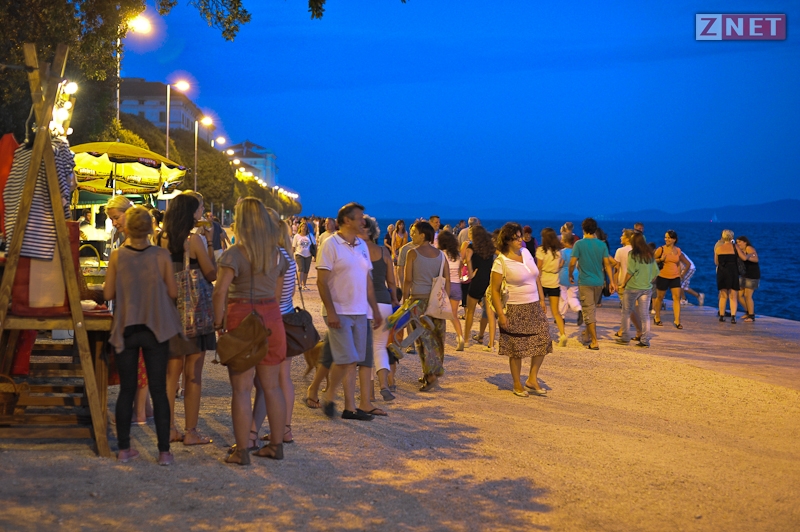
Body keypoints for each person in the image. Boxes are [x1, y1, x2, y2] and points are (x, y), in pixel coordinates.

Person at [104, 206, 182, 465]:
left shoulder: (118, 256)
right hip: (155, 327)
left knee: (126, 390)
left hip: (126, 326)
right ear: (150, 228)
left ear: (127, 228)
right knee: (158, 390)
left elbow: (108, 294)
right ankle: (164, 452)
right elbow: (173, 291)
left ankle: (124, 449)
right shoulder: (161, 255)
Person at [213, 198, 288, 464]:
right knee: (272, 387)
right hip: (272, 319)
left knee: (242, 390)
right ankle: (276, 445)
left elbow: (220, 292)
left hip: (242, 318)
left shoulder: (234, 254)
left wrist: (218, 323)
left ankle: (242, 450)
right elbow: (277, 296)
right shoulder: (278, 255)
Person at [157, 193, 217, 446]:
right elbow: (211, 273)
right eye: (200, 208)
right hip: (193, 313)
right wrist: (210, 242)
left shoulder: (160, 239)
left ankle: (169, 428)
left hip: (169, 311)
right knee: (193, 374)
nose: (202, 211)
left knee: (171, 373)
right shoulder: (194, 240)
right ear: (191, 212)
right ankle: (191, 431)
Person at [317, 202, 383, 420]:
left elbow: (367, 281)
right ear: (347, 220)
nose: (364, 221)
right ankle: (329, 396)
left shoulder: (361, 245)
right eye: (360, 217)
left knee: (353, 360)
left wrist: (374, 309)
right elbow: (321, 281)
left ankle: (350, 408)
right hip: (340, 311)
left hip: (360, 311)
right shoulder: (330, 244)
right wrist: (331, 311)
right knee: (347, 357)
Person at [251, 215, 297, 447]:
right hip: (287, 316)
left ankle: (253, 433)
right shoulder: (289, 258)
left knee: (266, 381)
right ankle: (285, 429)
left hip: (273, 319)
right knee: (283, 378)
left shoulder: (274, 256)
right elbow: (289, 292)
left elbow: (271, 294)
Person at [491, 223, 551, 397]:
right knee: (516, 348)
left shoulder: (525, 252)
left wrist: (541, 299)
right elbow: (495, 290)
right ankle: (517, 383)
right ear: (507, 241)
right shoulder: (501, 262)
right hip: (515, 308)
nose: (520, 240)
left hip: (534, 305)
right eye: (516, 238)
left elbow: (536, 276)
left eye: (520, 236)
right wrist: (500, 314)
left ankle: (532, 379)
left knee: (543, 340)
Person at [403, 221, 450, 391]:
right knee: (437, 337)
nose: (411, 235)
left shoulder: (412, 253)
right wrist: (444, 300)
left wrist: (405, 300)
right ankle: (433, 371)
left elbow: (408, 280)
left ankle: (430, 376)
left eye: (414, 233)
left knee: (423, 339)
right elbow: (447, 280)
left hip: (419, 301)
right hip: (436, 302)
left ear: (423, 235)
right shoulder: (441, 255)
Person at [568, 218, 615, 350]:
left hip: (585, 282)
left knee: (589, 311)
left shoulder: (579, 244)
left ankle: (594, 341)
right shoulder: (602, 245)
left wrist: (570, 274)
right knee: (591, 309)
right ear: (595, 229)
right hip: (599, 282)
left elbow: (572, 263)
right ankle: (587, 334)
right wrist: (612, 281)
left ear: (583, 229)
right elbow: (607, 264)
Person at [616, 233, 659, 347]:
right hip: (646, 288)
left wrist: (623, 284)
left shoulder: (632, 254)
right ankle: (645, 340)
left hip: (632, 287)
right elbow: (655, 272)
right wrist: (648, 281)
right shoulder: (649, 255)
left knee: (626, 312)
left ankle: (625, 337)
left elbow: (630, 271)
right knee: (645, 315)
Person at [463, 225, 496, 347]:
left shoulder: (471, 247)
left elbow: (467, 259)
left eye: (470, 232)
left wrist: (470, 273)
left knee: (470, 311)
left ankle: (466, 340)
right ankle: (482, 337)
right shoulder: (490, 247)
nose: (469, 234)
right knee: (487, 312)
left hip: (477, 280)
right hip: (488, 280)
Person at [535, 228, 567, 347]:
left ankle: (540, 335)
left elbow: (539, 267)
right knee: (556, 312)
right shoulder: (558, 252)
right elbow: (560, 265)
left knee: (539, 311)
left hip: (543, 281)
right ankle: (562, 334)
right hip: (554, 282)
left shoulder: (541, 250)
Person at [653, 230, 691, 329]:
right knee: (660, 297)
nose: (666, 239)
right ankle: (657, 317)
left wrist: (681, 274)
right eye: (665, 237)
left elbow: (685, 263)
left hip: (675, 277)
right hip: (663, 276)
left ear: (674, 239)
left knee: (677, 298)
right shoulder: (661, 249)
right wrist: (660, 260)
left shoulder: (678, 250)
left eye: (669, 238)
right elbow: (651, 260)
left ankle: (677, 321)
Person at [437, 229, 465, 351]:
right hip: (457, 286)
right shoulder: (457, 255)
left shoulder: (440, 254)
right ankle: (460, 337)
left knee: (440, 314)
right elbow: (459, 271)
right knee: (454, 315)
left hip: (445, 285)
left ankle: (439, 340)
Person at [613, 229, 642, 337]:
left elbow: (616, 268)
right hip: (636, 282)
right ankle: (622, 329)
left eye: (622, 235)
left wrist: (614, 283)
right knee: (630, 307)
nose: (621, 237)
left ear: (628, 238)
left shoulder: (620, 251)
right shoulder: (638, 251)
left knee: (628, 308)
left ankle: (639, 330)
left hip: (624, 283)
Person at [714, 229, 741, 323]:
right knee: (733, 296)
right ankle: (733, 317)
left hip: (722, 272)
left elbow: (716, 262)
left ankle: (721, 316)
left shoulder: (718, 248)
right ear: (732, 237)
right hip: (733, 272)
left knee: (723, 295)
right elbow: (742, 257)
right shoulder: (735, 247)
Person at [558, 234, 582, 325]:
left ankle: (562, 317)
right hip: (575, 276)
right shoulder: (576, 252)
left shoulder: (562, 252)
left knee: (563, 297)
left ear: (564, 241)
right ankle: (579, 309)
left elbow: (561, 264)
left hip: (563, 276)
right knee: (572, 296)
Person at [736, 236, 759, 322]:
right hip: (744, 275)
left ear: (745, 242)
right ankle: (748, 312)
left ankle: (751, 316)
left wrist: (747, 256)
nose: (738, 244)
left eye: (740, 242)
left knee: (747, 296)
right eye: (737, 242)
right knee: (738, 295)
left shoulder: (749, 248)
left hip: (752, 275)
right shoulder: (740, 251)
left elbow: (756, 259)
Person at [292, 221, 313, 290]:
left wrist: (316, 254)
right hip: (299, 254)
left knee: (306, 270)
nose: (304, 228)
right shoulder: (296, 236)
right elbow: (293, 246)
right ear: (300, 228)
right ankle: (299, 284)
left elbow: (314, 245)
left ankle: (304, 285)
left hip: (308, 255)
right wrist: (292, 254)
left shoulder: (310, 235)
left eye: (305, 227)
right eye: (302, 227)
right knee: (301, 268)